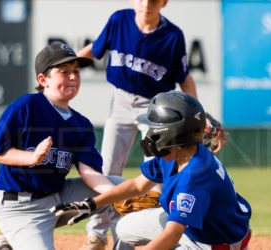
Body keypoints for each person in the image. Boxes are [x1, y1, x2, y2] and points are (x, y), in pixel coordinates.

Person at [51, 91, 252, 250]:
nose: (150, 133)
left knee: (169, 239)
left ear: (171, 134)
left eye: (154, 128)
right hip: (194, 226)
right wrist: (92, 204)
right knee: (124, 228)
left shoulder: (194, 176)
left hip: (214, 243)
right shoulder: (176, 153)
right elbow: (139, 184)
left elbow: (172, 233)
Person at [77, 0, 200, 248]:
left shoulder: (172, 36)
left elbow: (185, 79)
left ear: (163, 2)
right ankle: (97, 235)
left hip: (155, 107)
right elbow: (94, 49)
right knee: (107, 169)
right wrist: (66, 65)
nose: (146, 4)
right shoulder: (119, 20)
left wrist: (198, 119)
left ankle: (152, 233)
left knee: (157, 172)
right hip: (120, 100)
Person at [0, 42, 124, 250]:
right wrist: (31, 158)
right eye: (64, 72)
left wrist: (117, 195)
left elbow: (89, 172)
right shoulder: (26, 106)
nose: (73, 77)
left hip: (59, 199)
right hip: (21, 208)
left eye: (76, 72)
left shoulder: (81, 124)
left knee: (121, 188)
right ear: (43, 80)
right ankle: (13, 240)